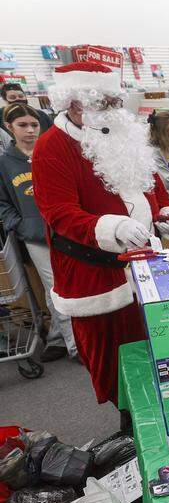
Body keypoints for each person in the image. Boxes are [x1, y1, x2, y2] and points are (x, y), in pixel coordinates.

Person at [32, 61, 169, 412]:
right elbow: (58, 213)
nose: (116, 111)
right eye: (106, 103)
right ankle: (131, 424)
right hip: (98, 277)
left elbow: (152, 187)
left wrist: (166, 213)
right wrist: (112, 227)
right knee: (119, 364)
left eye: (117, 101)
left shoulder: (123, 134)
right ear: (75, 103)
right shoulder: (52, 146)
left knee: (165, 349)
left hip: (148, 267)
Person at [0, 103, 76, 362]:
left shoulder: (51, 153)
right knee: (55, 287)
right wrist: (19, 224)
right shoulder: (4, 163)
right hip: (35, 235)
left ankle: (57, 337)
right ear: (9, 127)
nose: (30, 130)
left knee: (67, 284)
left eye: (34, 124)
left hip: (66, 229)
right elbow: (3, 203)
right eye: (22, 125)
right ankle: (75, 344)